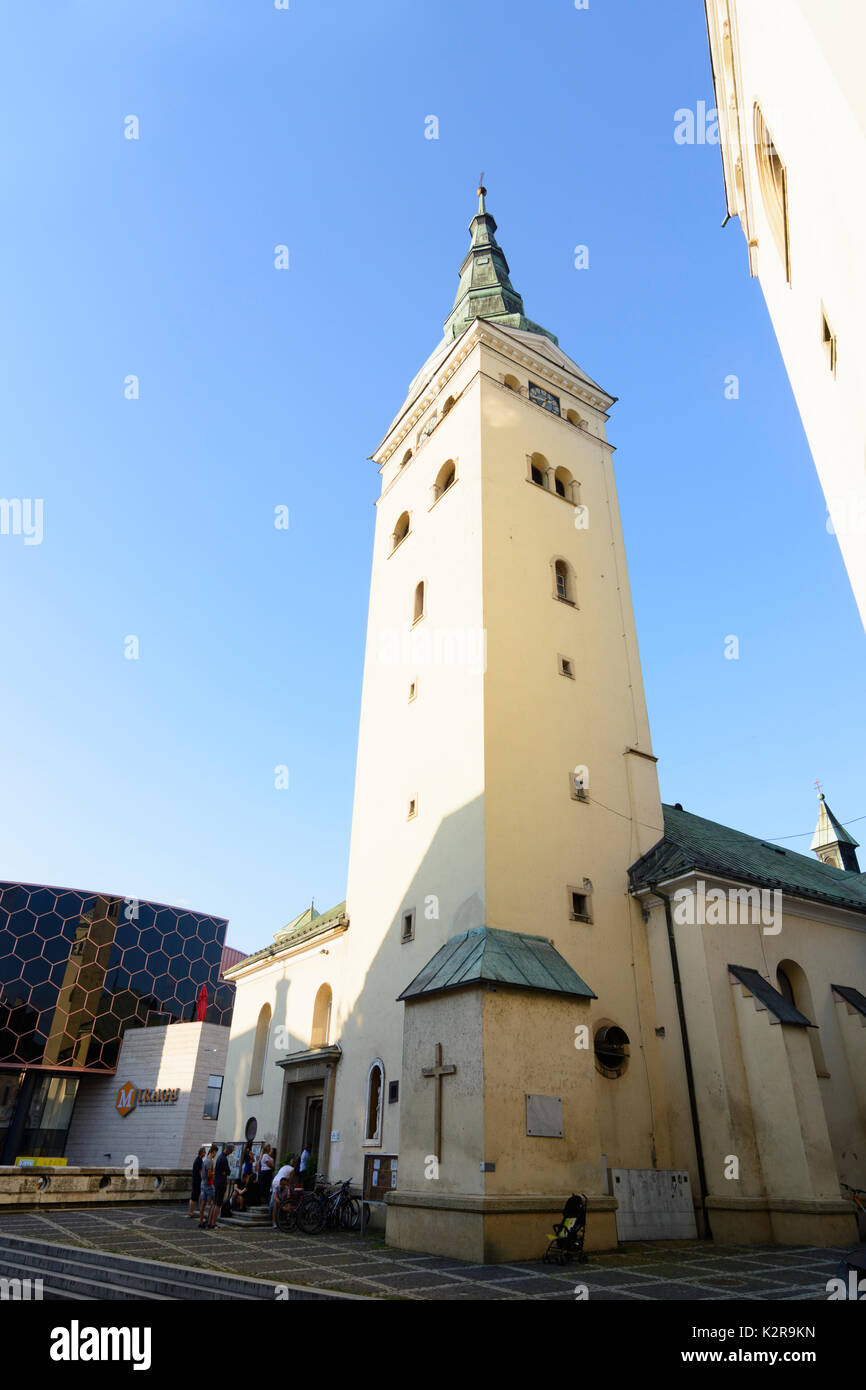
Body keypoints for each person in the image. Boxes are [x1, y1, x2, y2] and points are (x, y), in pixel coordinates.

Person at [269, 1155, 296, 1229]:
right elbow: (290, 1181)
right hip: (280, 1182)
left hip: (275, 1181)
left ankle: (271, 1215)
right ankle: (273, 1218)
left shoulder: (284, 1167)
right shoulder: (292, 1169)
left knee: (272, 1201)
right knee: (275, 1201)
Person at [210, 1143, 232, 1228]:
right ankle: (213, 1223)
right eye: (230, 1151)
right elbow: (228, 1172)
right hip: (221, 1183)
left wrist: (225, 1172)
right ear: (228, 1150)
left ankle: (210, 1222)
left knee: (215, 1203)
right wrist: (225, 1172)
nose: (230, 1153)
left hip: (217, 1182)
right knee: (218, 1204)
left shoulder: (219, 1157)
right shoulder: (224, 1159)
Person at [199, 1144, 218, 1228]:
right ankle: (209, 1221)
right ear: (213, 1152)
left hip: (203, 1184)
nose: (215, 1155)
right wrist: (215, 1172)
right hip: (208, 1185)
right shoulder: (210, 1161)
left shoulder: (205, 1160)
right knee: (214, 1202)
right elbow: (209, 1174)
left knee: (203, 1203)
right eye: (215, 1153)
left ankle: (201, 1222)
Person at [189, 1145, 205, 1219]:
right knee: (193, 1197)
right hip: (196, 1181)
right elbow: (200, 1172)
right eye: (204, 1152)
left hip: (195, 1180)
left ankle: (196, 1209)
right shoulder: (199, 1160)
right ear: (201, 1153)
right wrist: (203, 1179)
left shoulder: (198, 1159)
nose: (205, 1154)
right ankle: (191, 1212)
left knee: (197, 1195)